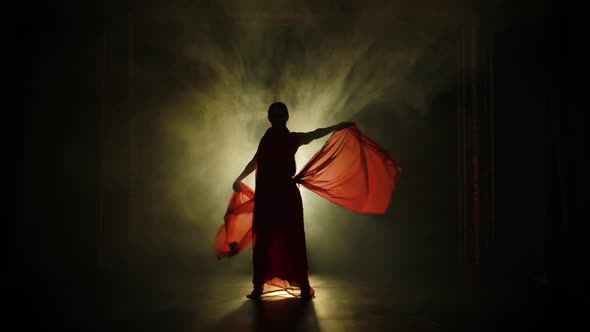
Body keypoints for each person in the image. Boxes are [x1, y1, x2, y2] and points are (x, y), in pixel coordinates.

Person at [232, 102, 352, 300]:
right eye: (274, 116)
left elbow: (314, 133)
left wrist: (336, 127)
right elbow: (255, 161)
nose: (277, 119)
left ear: (286, 117)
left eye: (281, 116)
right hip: (266, 198)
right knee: (262, 242)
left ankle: (304, 286)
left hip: (287, 197)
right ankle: (258, 287)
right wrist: (239, 178)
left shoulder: (291, 138)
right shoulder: (266, 140)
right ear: (269, 118)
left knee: (294, 239)